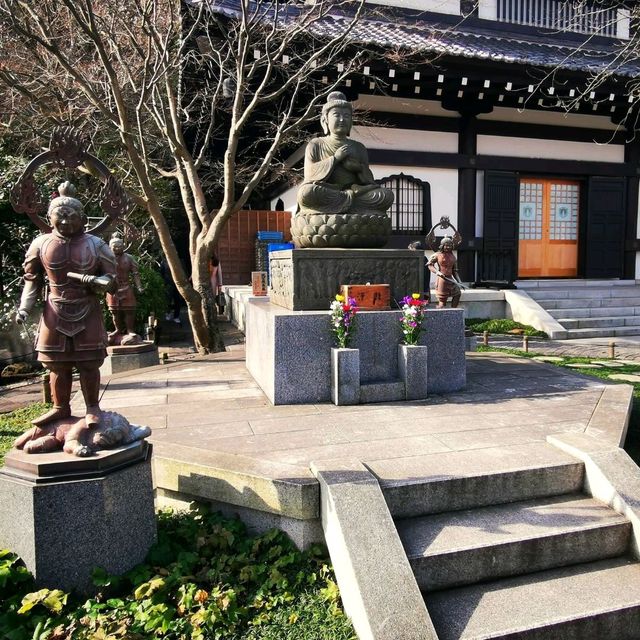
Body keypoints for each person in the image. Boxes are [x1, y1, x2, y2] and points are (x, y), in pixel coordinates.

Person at [16, 182, 117, 428]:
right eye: (58, 217)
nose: (64, 223)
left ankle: (93, 407)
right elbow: (32, 281)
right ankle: (60, 407)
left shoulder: (96, 244)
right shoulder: (40, 244)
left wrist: (100, 282)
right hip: (55, 308)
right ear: (49, 218)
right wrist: (25, 307)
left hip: (87, 307)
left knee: (89, 362)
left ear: (83, 219)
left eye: (71, 217)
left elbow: (113, 281)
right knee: (56, 364)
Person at [296, 91, 394, 216]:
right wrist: (335, 159)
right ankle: (349, 200)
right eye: (336, 115)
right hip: (328, 192)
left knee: (386, 195)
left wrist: (358, 168)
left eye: (347, 116)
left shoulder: (359, 147)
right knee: (306, 192)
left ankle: (349, 201)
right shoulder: (316, 144)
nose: (342, 120)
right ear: (325, 120)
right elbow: (309, 174)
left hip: (358, 193)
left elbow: (369, 180)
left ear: (351, 122)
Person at [106, 234, 143, 345]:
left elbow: (135, 274)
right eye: (115, 246)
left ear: (124, 246)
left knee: (129, 310)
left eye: (120, 246)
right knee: (114, 311)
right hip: (112, 288)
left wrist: (139, 286)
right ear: (110, 247)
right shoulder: (107, 259)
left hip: (126, 286)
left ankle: (130, 330)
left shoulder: (129, 258)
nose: (117, 248)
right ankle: (117, 329)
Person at [427, 236, 463, 308]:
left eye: (450, 245)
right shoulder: (437, 255)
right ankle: (440, 314)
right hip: (442, 280)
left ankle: (453, 312)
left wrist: (459, 281)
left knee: (457, 294)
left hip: (450, 279)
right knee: (442, 300)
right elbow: (430, 265)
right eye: (446, 245)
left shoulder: (453, 257)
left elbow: (455, 271)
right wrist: (438, 272)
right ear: (442, 246)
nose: (448, 247)